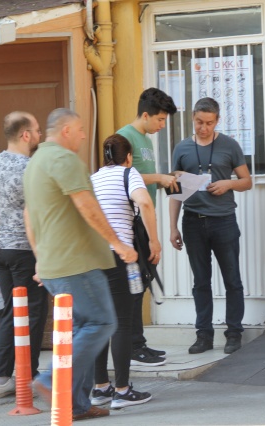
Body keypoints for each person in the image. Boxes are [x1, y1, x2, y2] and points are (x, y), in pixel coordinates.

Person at [25, 108, 137, 421]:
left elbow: (29, 218)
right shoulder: (64, 159)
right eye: (80, 129)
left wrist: (39, 258)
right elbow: (87, 207)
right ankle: (51, 381)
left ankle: (76, 404)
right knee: (102, 323)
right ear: (65, 131)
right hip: (77, 263)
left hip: (53, 265)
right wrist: (119, 244)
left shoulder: (34, 164)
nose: (85, 135)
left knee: (80, 331)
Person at [169, 97, 252, 355]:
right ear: (192, 118)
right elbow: (175, 191)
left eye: (209, 123)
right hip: (193, 221)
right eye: (199, 122)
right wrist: (173, 227)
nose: (203, 128)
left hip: (224, 220)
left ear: (217, 121)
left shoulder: (230, 145)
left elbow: (247, 180)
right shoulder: (181, 148)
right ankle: (203, 334)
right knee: (201, 281)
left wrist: (228, 184)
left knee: (232, 278)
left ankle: (234, 332)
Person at [90, 134, 159, 407]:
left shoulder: (92, 178)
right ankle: (121, 390)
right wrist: (154, 241)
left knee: (99, 323)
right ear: (128, 157)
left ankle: (100, 387)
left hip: (93, 259)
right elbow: (145, 202)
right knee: (121, 322)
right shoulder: (129, 174)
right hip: (122, 257)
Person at [0, 112, 48, 398]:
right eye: (36, 130)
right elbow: (37, 211)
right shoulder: (30, 167)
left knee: (11, 311)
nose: (40, 135)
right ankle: (25, 375)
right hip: (24, 249)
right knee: (31, 314)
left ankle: (2, 377)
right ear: (25, 135)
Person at [117, 87, 178, 367]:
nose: (162, 126)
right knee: (135, 285)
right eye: (160, 120)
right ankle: (132, 346)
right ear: (145, 115)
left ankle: (138, 344)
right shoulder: (124, 137)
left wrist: (164, 179)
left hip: (143, 222)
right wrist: (160, 178)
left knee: (140, 284)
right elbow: (124, 174)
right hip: (130, 224)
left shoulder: (144, 139)